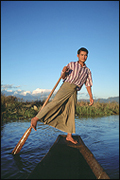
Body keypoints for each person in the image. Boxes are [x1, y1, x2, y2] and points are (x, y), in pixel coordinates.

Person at [31, 47, 94, 144]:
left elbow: (88, 84)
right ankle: (36, 118)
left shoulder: (87, 71)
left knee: (71, 111)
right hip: (66, 86)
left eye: (85, 55)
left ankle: (69, 136)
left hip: (74, 90)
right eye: (82, 55)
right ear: (78, 55)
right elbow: (63, 77)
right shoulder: (71, 64)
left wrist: (90, 96)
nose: (84, 57)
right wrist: (64, 71)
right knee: (55, 103)